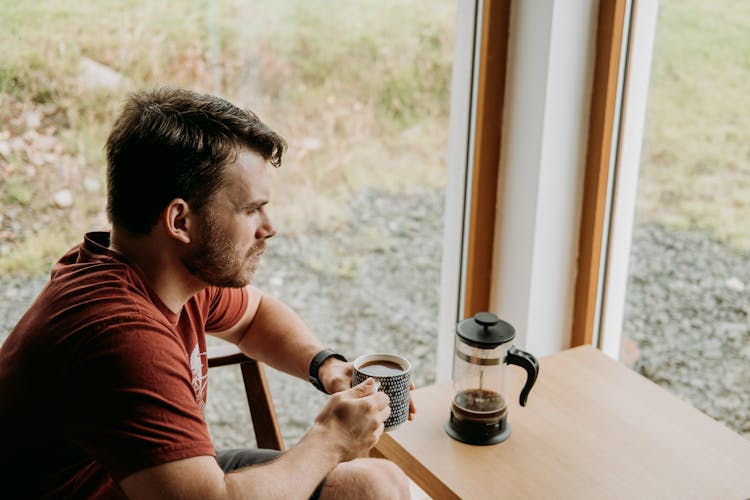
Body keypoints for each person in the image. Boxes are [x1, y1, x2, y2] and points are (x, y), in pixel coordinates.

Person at [0, 87, 414, 499]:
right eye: (251, 209)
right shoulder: (122, 337)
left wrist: (327, 367)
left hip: (150, 482)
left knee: (378, 484)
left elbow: (255, 317)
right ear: (180, 220)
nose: (269, 227)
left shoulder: (164, 270)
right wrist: (330, 440)